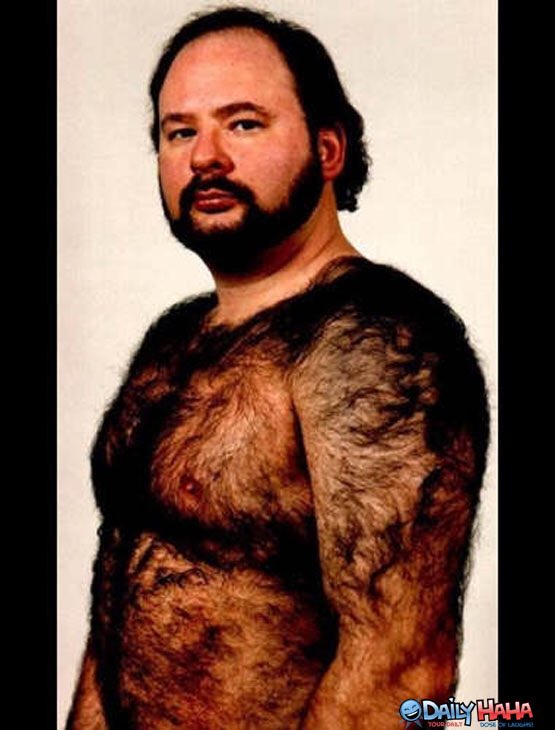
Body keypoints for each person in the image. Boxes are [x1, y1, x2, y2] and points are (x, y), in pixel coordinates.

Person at [66, 6, 489, 729]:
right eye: (179, 132)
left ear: (328, 149)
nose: (204, 157)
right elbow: (118, 604)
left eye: (242, 124)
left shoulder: (375, 339)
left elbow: (401, 669)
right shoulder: (175, 339)